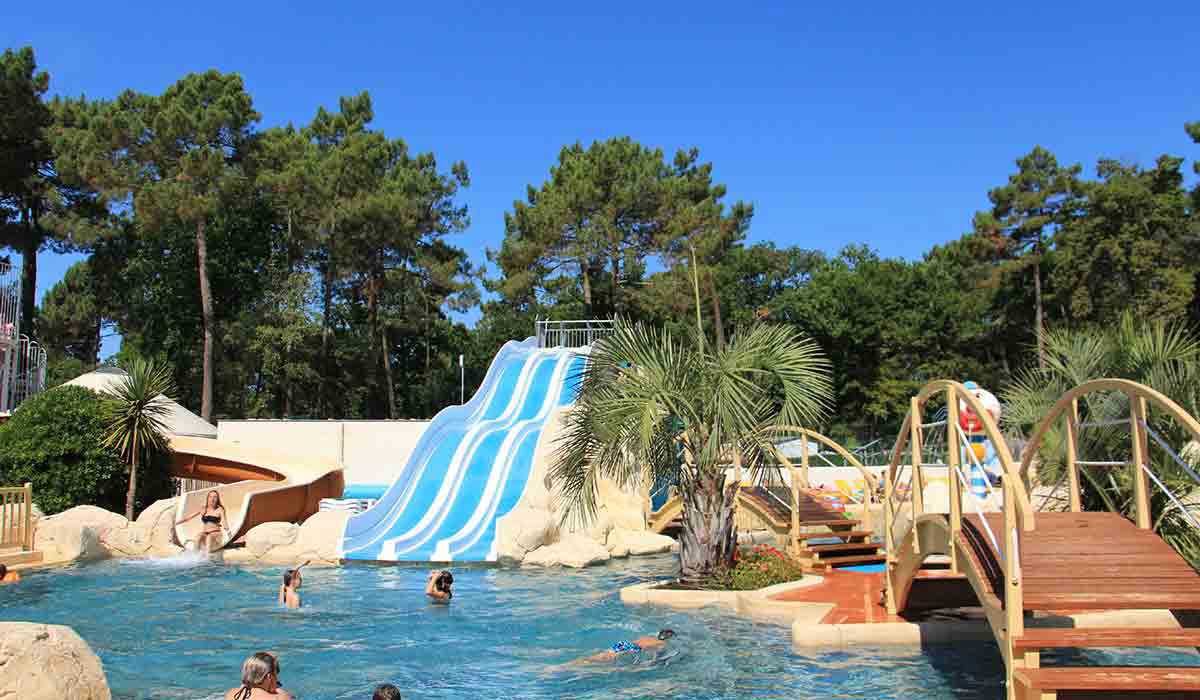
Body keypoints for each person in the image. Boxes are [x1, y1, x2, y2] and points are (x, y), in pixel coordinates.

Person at [569, 629, 676, 664]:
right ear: (668, 638)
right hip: (632, 647)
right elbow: (656, 654)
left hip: (624, 643)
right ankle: (581, 663)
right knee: (607, 659)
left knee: (603, 655)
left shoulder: (646, 636)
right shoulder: (663, 643)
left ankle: (578, 661)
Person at [226, 652, 291, 700]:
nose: (277, 680)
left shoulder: (231, 694)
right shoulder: (278, 697)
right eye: (276, 676)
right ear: (269, 677)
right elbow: (287, 695)